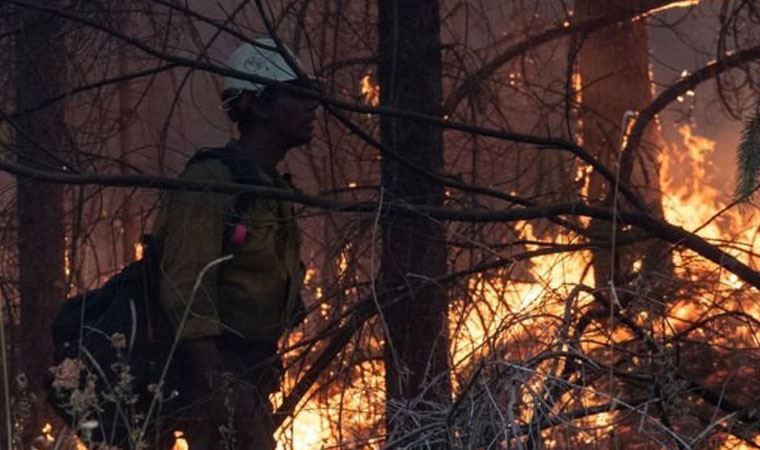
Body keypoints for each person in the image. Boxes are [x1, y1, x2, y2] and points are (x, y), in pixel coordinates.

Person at [152, 37, 318, 450]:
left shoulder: (270, 190)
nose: (312, 107)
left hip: (252, 374)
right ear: (258, 105)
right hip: (208, 377)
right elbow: (186, 287)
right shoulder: (211, 183)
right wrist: (219, 387)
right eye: (296, 94)